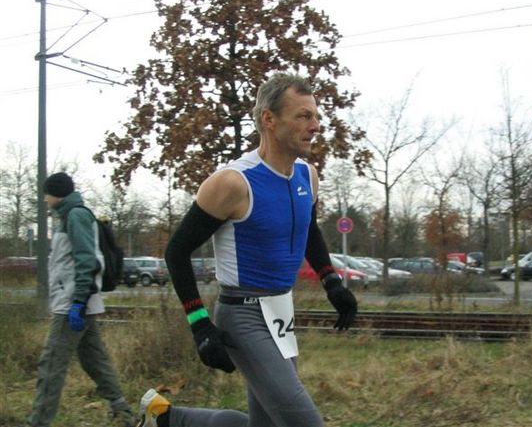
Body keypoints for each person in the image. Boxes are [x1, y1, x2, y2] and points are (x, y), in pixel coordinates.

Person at [137, 73, 358, 427]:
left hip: (281, 311)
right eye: (303, 116)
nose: (316, 126)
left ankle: (166, 418)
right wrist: (199, 324)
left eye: (316, 116)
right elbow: (177, 251)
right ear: (269, 119)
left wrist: (331, 282)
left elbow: (308, 231)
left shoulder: (308, 176)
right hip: (243, 315)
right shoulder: (233, 183)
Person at [26, 172, 134, 427]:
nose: (45, 199)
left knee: (51, 363)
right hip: (77, 300)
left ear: (57, 193)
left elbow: (87, 260)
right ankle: (123, 411)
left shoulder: (76, 216)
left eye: (47, 194)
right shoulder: (68, 216)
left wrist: (78, 301)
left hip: (73, 303)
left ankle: (38, 422)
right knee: (94, 360)